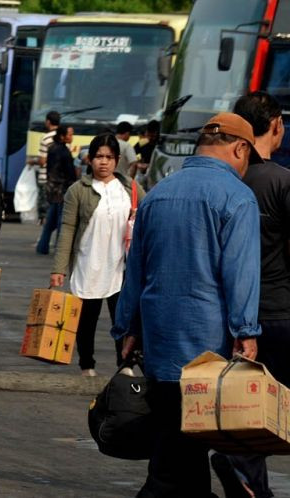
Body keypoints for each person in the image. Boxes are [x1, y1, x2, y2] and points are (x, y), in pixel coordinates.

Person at [113, 112, 262, 496]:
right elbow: (240, 273)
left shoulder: (158, 192)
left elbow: (135, 268)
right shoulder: (236, 196)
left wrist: (127, 327)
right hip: (207, 351)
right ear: (240, 147)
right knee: (176, 456)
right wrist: (246, 332)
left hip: (160, 344)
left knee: (177, 444)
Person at [212, 91, 289, 498]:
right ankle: (242, 470)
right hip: (280, 310)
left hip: (231, 315)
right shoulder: (282, 181)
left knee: (248, 405)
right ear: (276, 124)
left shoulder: (225, 182)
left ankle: (246, 475)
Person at [50, 133, 144, 377]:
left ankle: (124, 365)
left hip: (120, 267)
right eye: (99, 157)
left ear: (117, 160)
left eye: (109, 157)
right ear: (89, 159)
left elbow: (149, 215)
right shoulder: (78, 190)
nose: (104, 162)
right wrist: (59, 268)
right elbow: (67, 229)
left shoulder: (130, 188)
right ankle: (87, 365)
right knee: (86, 321)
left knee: (123, 320)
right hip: (87, 265)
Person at [36, 126, 75, 255]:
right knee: (61, 221)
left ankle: (43, 246)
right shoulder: (64, 152)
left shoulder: (52, 148)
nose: (72, 137)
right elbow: (70, 174)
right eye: (70, 134)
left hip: (52, 188)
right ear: (62, 136)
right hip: (62, 190)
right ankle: (60, 249)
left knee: (51, 220)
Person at [30, 110, 60, 223]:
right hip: (59, 177)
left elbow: (42, 161)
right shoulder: (64, 138)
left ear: (48, 122)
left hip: (45, 176)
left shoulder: (46, 138)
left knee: (45, 201)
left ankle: (44, 220)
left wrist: (32, 161)